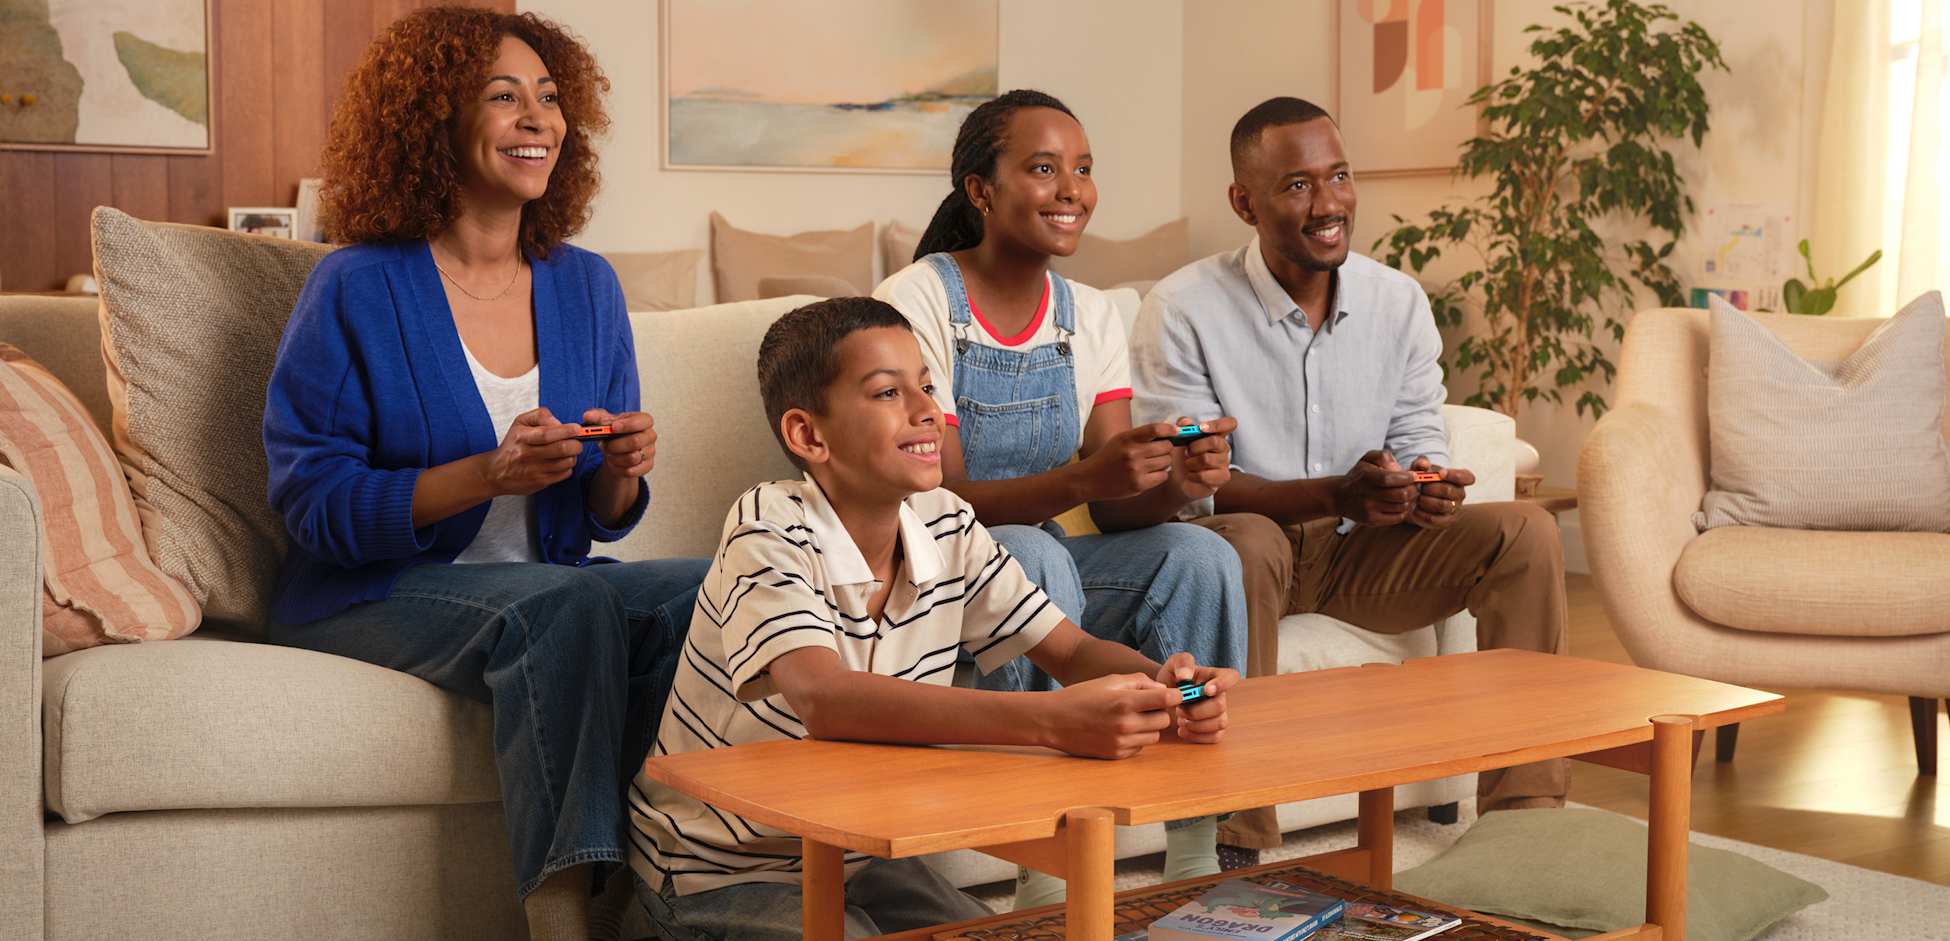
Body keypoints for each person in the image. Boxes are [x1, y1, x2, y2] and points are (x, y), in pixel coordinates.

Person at [260, 9, 707, 939]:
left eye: (549, 98)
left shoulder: (586, 285)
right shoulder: (356, 285)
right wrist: (484, 475)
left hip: (546, 582)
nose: (537, 119)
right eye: (504, 97)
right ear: (434, 121)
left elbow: (599, 518)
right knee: (570, 605)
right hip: (372, 593)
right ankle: (562, 915)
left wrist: (622, 468)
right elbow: (310, 502)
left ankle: (673, 885)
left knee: (715, 588)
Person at [627, 298, 1238, 940]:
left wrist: (1169, 685)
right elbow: (823, 698)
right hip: (720, 869)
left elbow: (1072, 651)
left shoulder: (943, 519)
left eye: (925, 385)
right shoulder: (767, 525)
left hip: (856, 855)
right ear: (809, 436)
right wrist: (1053, 722)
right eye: (888, 392)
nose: (926, 411)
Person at [1129, 96, 1570, 867]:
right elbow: (1194, 487)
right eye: (1297, 185)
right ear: (1245, 201)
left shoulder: (1396, 301)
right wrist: (1336, 491)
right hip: (1243, 551)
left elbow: (1417, 439)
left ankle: (1527, 819)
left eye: (1338, 176)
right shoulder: (1183, 309)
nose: (1329, 203)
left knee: (1525, 532)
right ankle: (1236, 834)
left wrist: (1425, 485)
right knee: (1245, 541)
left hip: (1360, 549)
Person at [872, 89, 1251, 906]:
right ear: (981, 190)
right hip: (933, 575)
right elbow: (940, 498)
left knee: (1201, 555)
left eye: (1082, 169)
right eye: (1043, 169)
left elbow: (1113, 504)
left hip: (1040, 574)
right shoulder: (919, 301)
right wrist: (1084, 480)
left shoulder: (1091, 314)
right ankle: (1051, 866)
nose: (1071, 189)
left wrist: (1179, 480)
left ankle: (1195, 846)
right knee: (1038, 548)